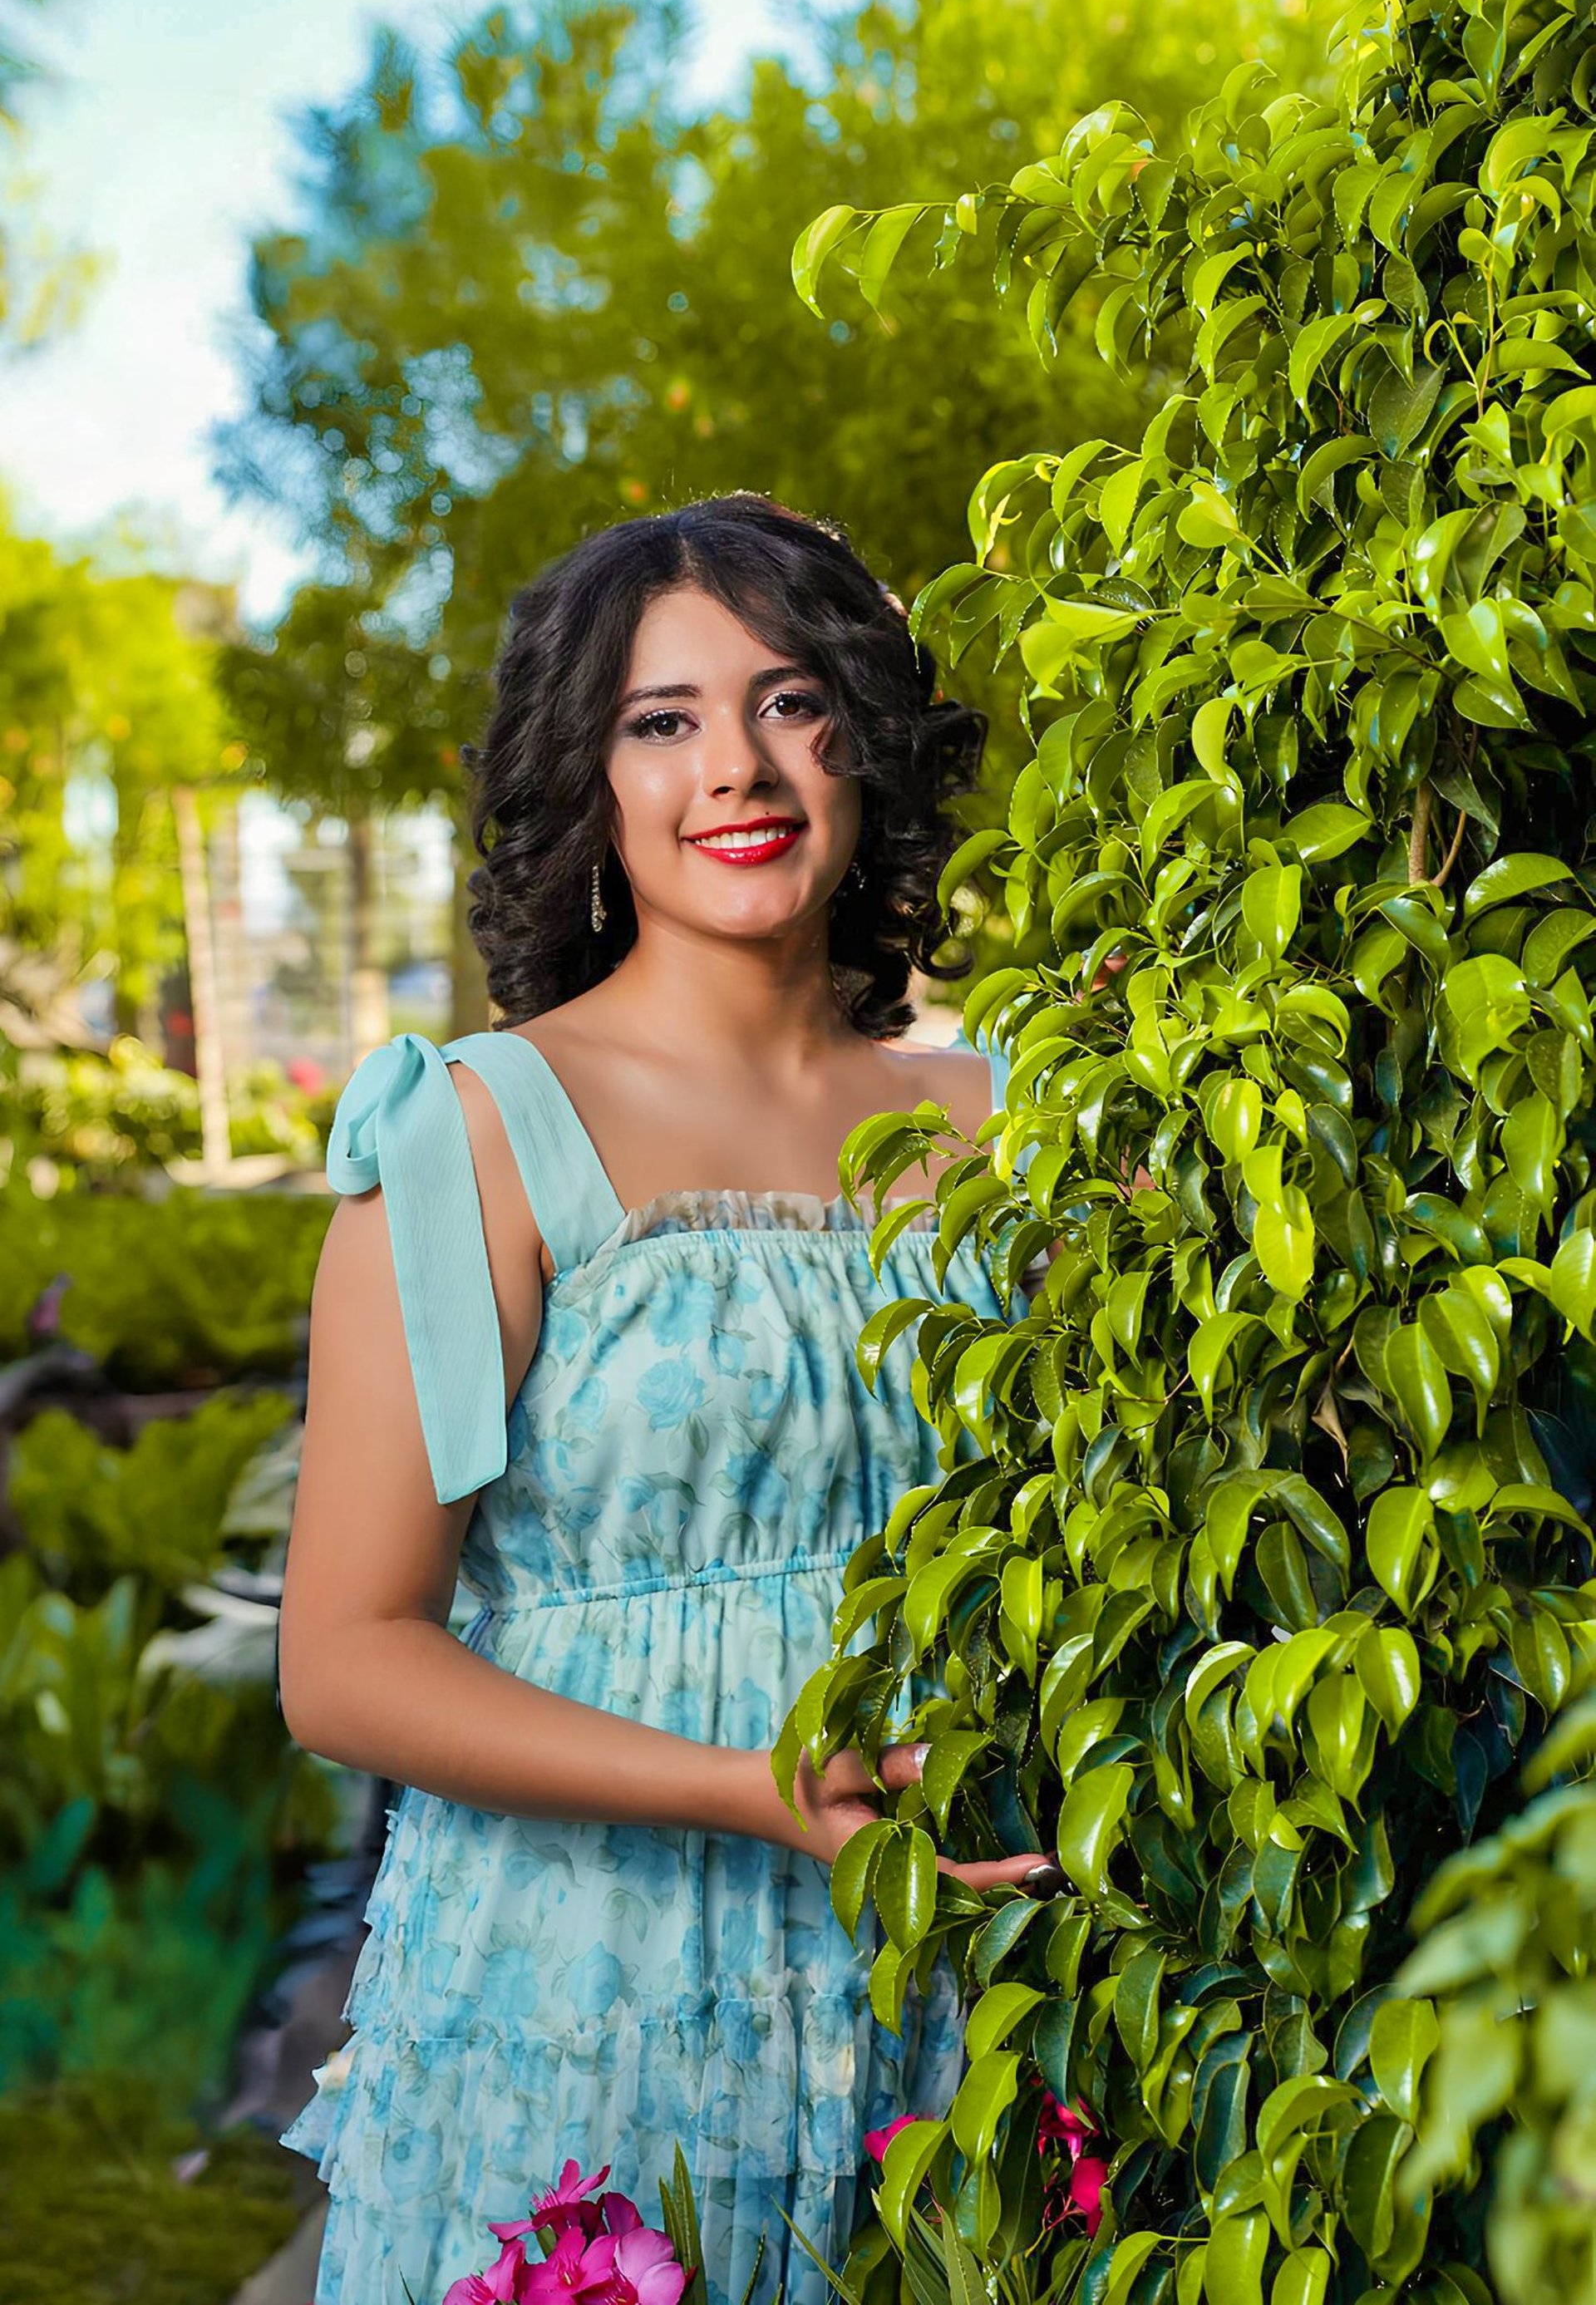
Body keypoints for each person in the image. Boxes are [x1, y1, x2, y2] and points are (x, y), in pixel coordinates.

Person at [275, 493, 1058, 2305]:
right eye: (664, 719)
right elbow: (346, 1658)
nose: (738, 767)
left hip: (958, 1971)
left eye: (792, 702)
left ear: (864, 741)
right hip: (593, 2001)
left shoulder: (1013, 1123)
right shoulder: (473, 1133)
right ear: (594, 781)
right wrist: (753, 1786)